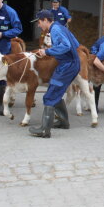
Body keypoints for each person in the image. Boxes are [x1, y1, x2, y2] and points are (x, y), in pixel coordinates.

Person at [29, 10, 80, 138]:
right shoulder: (61, 27)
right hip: (70, 65)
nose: (38, 25)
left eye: (39, 22)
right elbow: (76, 44)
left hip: (67, 67)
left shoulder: (55, 30)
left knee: (50, 96)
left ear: (46, 20)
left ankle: (45, 130)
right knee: (54, 91)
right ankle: (63, 122)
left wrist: (47, 52)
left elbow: (66, 46)